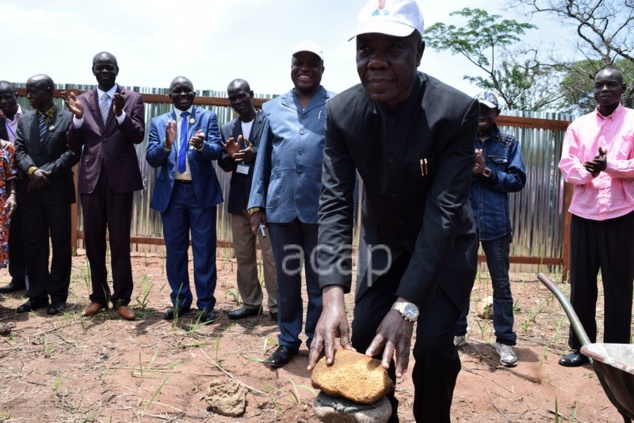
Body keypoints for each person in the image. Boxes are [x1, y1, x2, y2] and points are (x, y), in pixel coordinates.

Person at [307, 1, 480, 421]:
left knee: (434, 346)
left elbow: (442, 216)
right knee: (365, 336)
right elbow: (333, 204)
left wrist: (406, 308)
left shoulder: (454, 112)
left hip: (446, 245)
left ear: (418, 52)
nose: (376, 62)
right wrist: (331, 298)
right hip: (383, 242)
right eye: (366, 48)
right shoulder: (341, 112)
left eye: (393, 48)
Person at [248, 40, 335, 368]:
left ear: (322, 70)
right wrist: (257, 204)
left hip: (319, 209)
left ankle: (315, 339)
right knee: (286, 281)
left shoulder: (335, 106)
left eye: (313, 63)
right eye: (299, 62)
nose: (305, 69)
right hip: (281, 207)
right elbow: (262, 162)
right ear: (290, 67)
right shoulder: (272, 108)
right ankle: (287, 340)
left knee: (317, 279)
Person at [557, 67, 634, 367]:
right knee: (581, 283)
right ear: (593, 89)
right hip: (585, 214)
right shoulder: (579, 125)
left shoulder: (632, 121)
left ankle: (614, 353)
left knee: (618, 285)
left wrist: (609, 166)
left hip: (622, 212)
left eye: (611, 84)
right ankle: (582, 348)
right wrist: (590, 170)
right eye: (599, 85)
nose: (604, 89)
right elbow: (567, 166)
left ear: (622, 88)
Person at [62, 51, 145, 321]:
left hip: (121, 180)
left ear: (117, 69)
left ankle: (122, 299)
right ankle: (98, 297)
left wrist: (120, 116)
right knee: (93, 241)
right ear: (93, 71)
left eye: (109, 67)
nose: (105, 71)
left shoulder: (132, 99)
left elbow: (138, 134)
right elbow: (73, 144)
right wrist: (76, 119)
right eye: (100, 67)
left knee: (120, 241)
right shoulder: (82, 101)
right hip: (92, 178)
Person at [453, 91, 527, 367]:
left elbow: (518, 180)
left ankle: (505, 341)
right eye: (477, 109)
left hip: (496, 224)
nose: (482, 115)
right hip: (464, 224)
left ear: (496, 113)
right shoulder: (458, 138)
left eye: (488, 110)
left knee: (501, 285)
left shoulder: (508, 143)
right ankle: (458, 333)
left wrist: (485, 172)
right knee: (461, 281)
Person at [146, 76, 223, 324]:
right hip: (173, 195)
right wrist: (167, 145)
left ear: (194, 93)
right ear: (170, 96)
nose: (182, 94)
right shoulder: (159, 122)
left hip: (200, 194)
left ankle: (205, 305)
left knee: (204, 250)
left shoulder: (207, 117)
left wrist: (201, 147)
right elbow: (152, 158)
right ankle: (180, 302)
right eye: (177, 91)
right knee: (176, 250)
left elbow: (217, 150)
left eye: (187, 90)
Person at [13, 75, 79, 314]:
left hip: (57, 192)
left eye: (33, 92)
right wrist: (32, 171)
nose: (28, 96)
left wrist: (45, 174)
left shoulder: (69, 118)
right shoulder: (26, 120)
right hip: (30, 193)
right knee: (33, 244)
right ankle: (37, 295)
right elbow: (19, 150)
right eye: (27, 92)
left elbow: (73, 152)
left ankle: (59, 296)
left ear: (49, 92)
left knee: (61, 246)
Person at [219, 79, 277, 321]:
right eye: (233, 98)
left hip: (263, 201)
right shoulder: (227, 128)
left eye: (242, 96)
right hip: (239, 199)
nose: (238, 101)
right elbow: (223, 162)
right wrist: (231, 158)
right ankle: (251, 303)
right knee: (243, 254)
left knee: (270, 254)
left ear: (251, 95)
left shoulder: (268, 121)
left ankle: (277, 306)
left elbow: (277, 156)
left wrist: (255, 155)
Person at [0, 81, 27, 294]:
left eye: (7, 96)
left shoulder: (29, 116)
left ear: (16, 95)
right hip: (7, 184)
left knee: (32, 232)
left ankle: (32, 279)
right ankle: (17, 278)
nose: (3, 101)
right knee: (13, 232)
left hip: (30, 181)